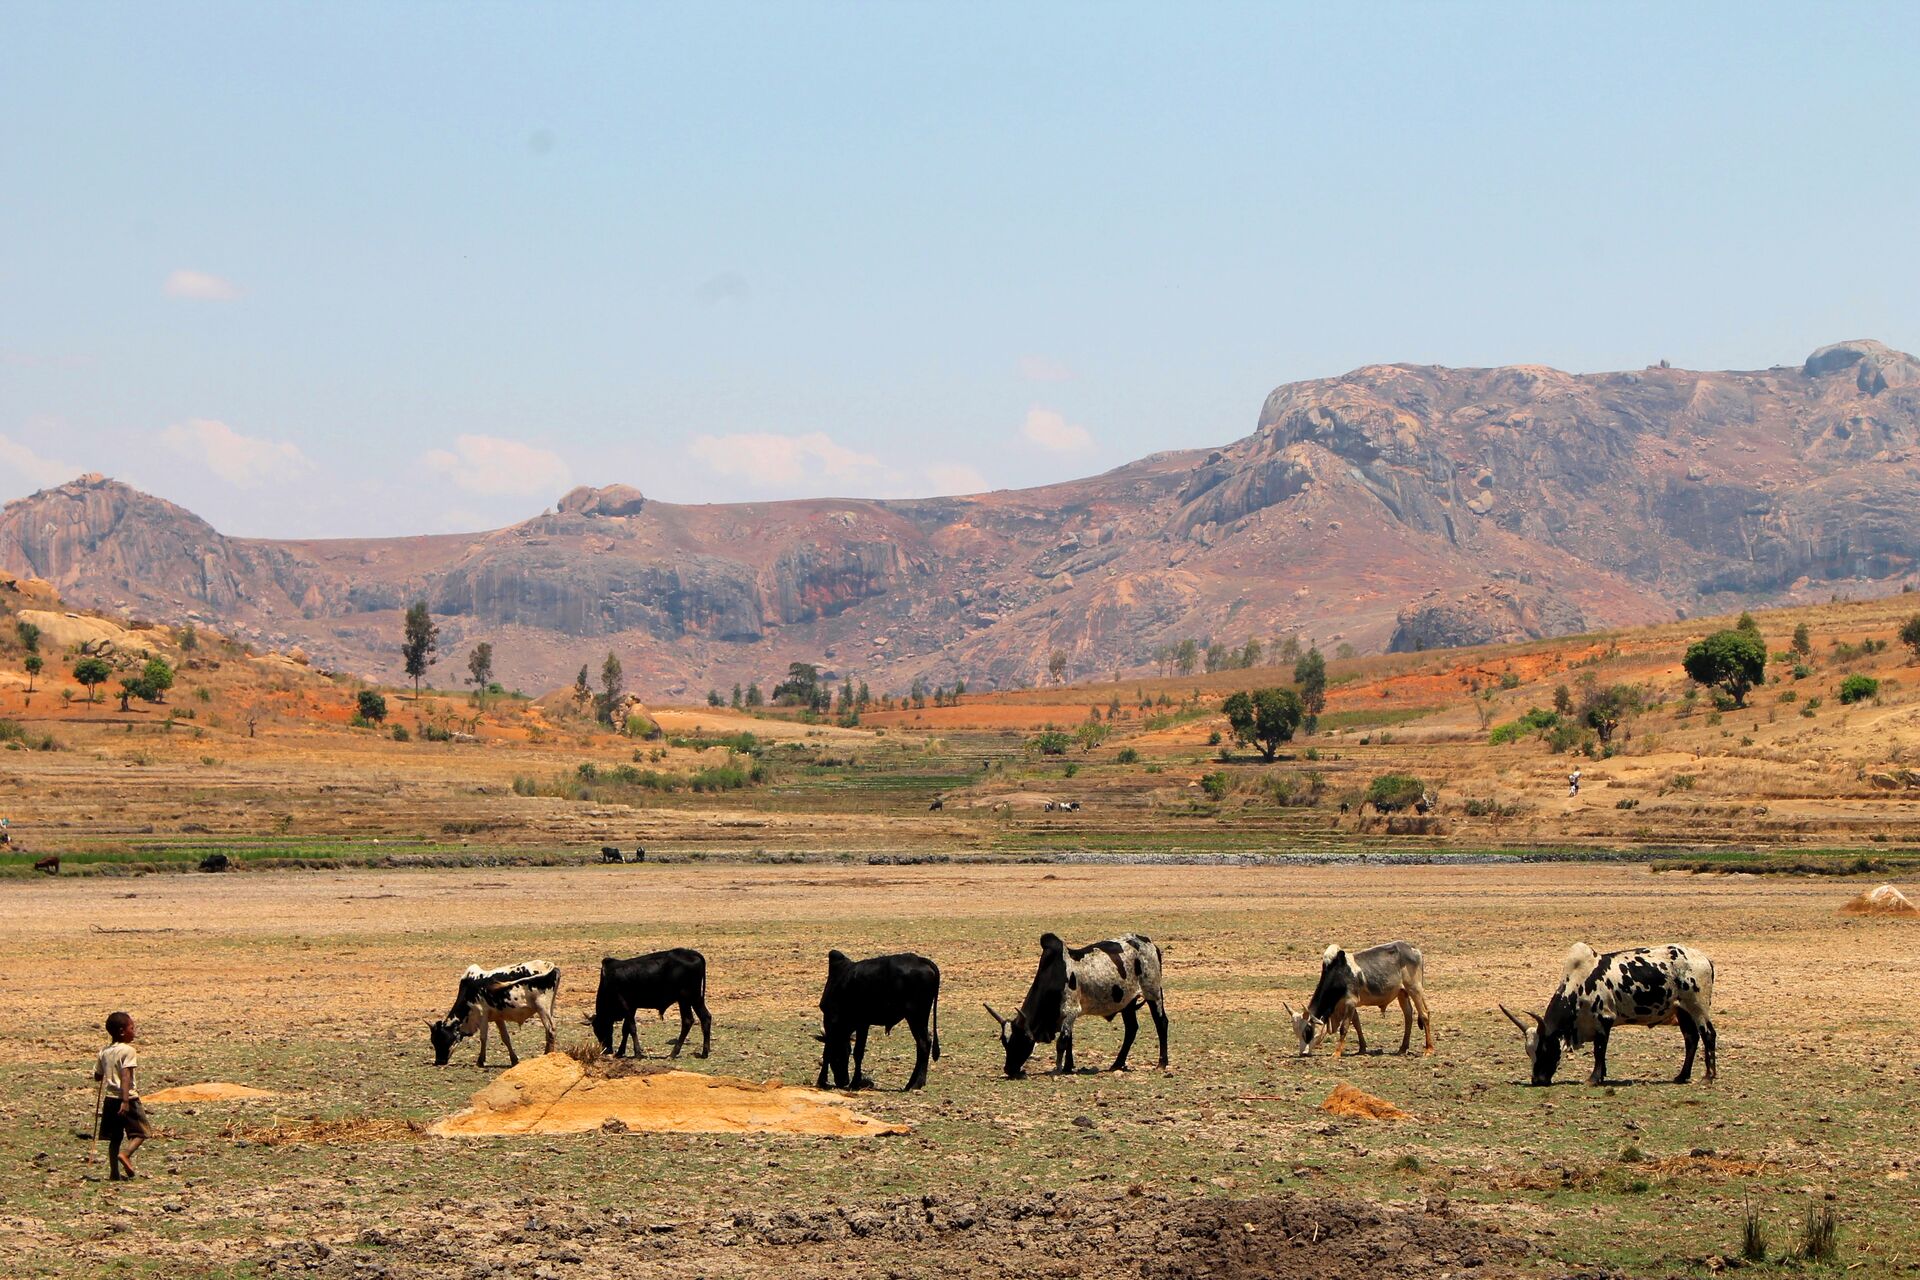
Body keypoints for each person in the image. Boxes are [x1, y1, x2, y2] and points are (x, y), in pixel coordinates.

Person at [94, 1011, 150, 1181]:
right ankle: (125, 1154)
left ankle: (114, 1173)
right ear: (122, 1031)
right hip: (128, 1099)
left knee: (115, 1137)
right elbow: (126, 1076)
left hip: (110, 1099)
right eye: (132, 1028)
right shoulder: (128, 1050)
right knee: (142, 1133)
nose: (135, 1031)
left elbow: (97, 1075)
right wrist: (125, 1101)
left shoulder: (104, 1051)